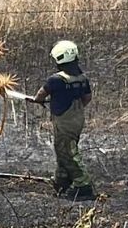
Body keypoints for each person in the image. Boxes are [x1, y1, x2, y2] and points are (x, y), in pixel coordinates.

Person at [30, 40, 96, 200]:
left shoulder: (56, 80)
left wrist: (37, 100)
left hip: (63, 121)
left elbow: (41, 94)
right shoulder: (82, 78)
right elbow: (87, 97)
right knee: (63, 149)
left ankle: (83, 184)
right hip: (77, 119)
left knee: (68, 151)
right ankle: (62, 179)